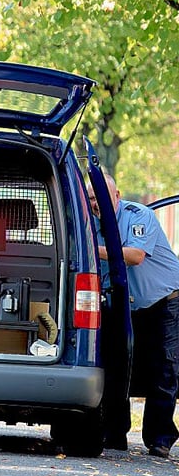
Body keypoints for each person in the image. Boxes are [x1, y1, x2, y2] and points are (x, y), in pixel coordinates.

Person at [89, 172, 179, 459]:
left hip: (164, 301)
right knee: (117, 367)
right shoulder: (88, 224)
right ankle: (115, 434)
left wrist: (91, 249)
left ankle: (160, 438)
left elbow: (135, 255)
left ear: (116, 196)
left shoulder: (138, 215)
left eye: (101, 197)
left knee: (163, 368)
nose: (96, 203)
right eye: (91, 198)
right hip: (124, 305)